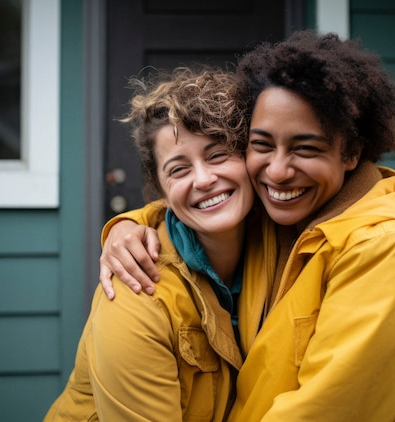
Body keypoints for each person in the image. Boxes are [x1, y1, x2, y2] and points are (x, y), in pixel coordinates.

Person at [100, 30, 395, 421]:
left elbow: (327, 411)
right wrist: (127, 225)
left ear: (351, 153)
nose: (277, 172)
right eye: (262, 145)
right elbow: (198, 199)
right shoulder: (276, 213)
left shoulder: (383, 249)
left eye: (305, 148)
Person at [44, 67, 260, 421]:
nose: (204, 179)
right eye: (178, 170)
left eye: (218, 155)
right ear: (161, 192)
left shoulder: (276, 245)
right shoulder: (135, 293)